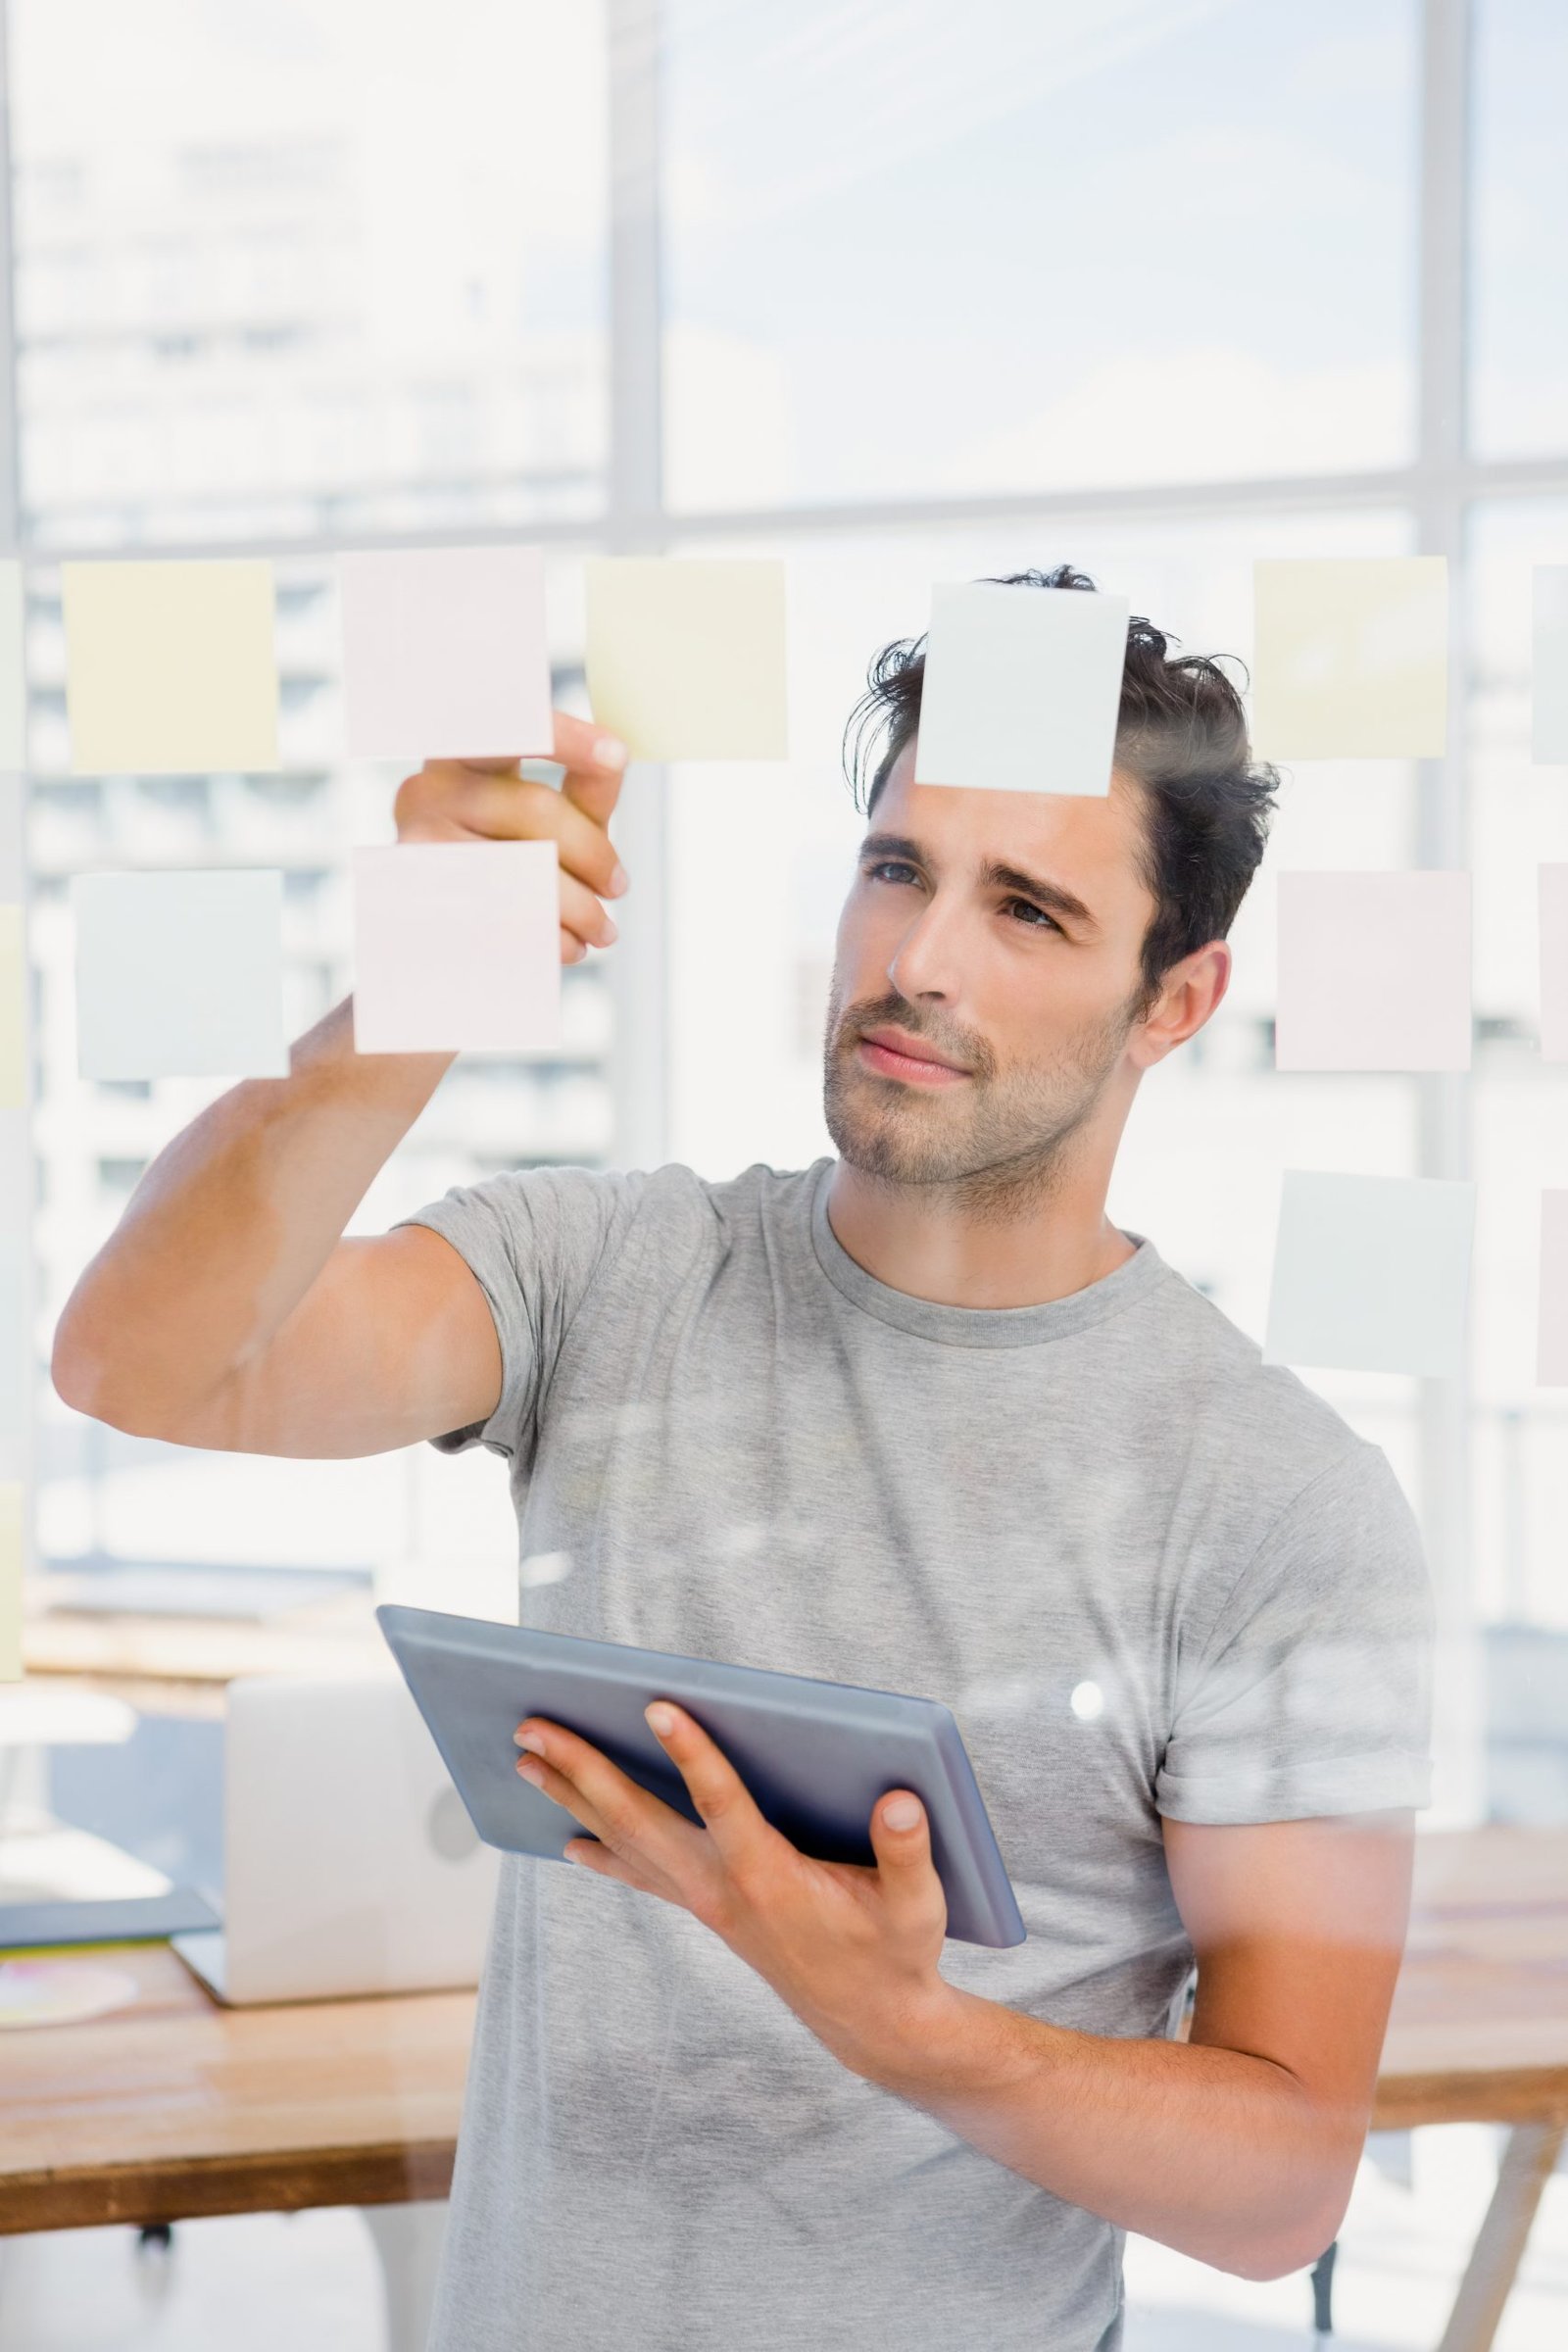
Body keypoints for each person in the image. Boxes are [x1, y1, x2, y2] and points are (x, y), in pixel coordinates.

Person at [52, 564, 1434, 2352]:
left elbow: (1285, 2187)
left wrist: (912, 2032)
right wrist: (413, 984)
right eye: (897, 870)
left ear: (1175, 999)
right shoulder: (612, 1274)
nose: (917, 962)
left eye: (1027, 909)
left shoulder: (1279, 1503)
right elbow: (139, 1363)